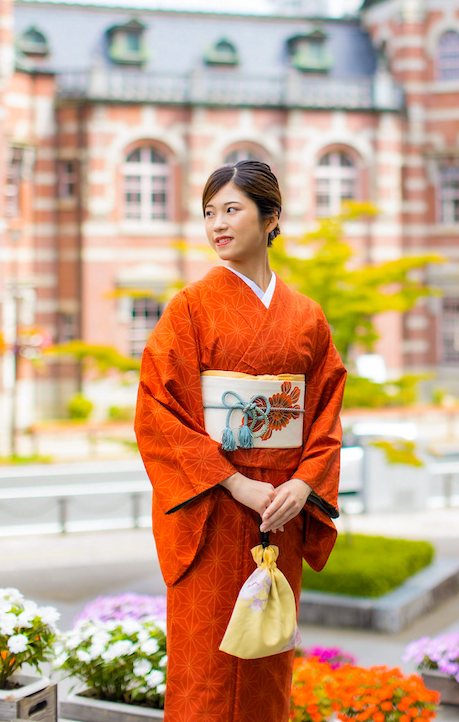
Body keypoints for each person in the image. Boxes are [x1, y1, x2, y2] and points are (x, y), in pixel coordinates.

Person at [135, 160, 346, 722]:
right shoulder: (190, 307)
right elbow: (158, 411)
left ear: (271, 216)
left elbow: (325, 413)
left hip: (281, 510)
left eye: (232, 210)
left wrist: (304, 483)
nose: (217, 225)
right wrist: (236, 484)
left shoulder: (308, 317)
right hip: (213, 508)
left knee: (267, 662)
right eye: (209, 212)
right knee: (206, 666)